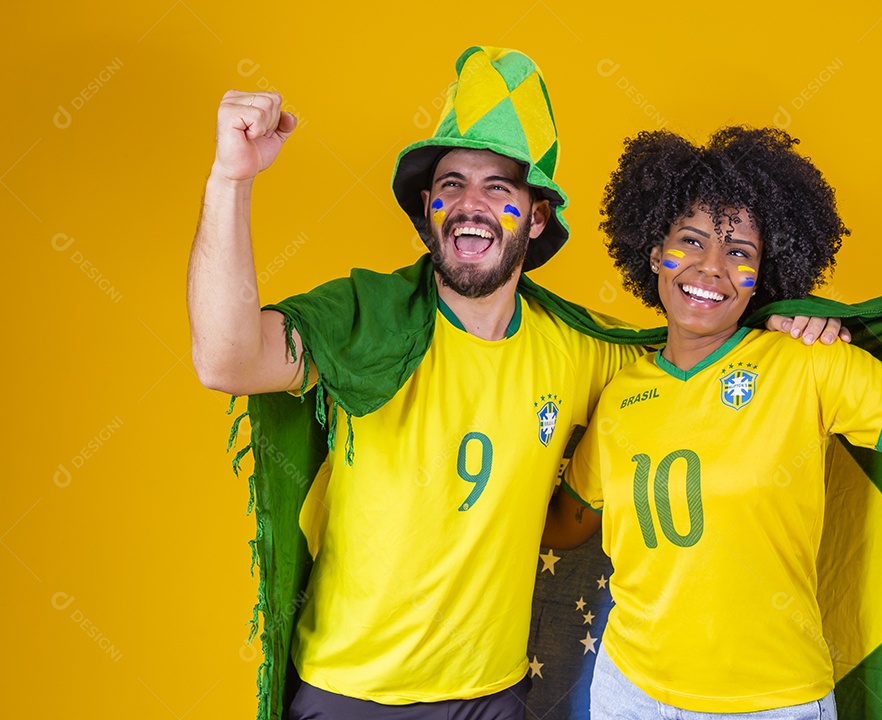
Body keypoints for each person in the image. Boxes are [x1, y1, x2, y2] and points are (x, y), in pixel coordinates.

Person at [188, 48, 844, 719]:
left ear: (535, 218)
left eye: (499, 189)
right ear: (428, 208)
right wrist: (229, 180)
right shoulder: (362, 318)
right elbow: (224, 360)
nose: (471, 205)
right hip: (350, 693)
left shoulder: (582, 347)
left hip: (493, 699)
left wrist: (790, 320)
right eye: (452, 185)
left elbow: (697, 342)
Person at [541, 126, 882, 719]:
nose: (710, 269)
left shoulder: (808, 363)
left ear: (766, 271)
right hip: (629, 694)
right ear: (654, 252)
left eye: (739, 253)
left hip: (773, 703)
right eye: (691, 241)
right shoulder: (620, 391)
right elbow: (564, 526)